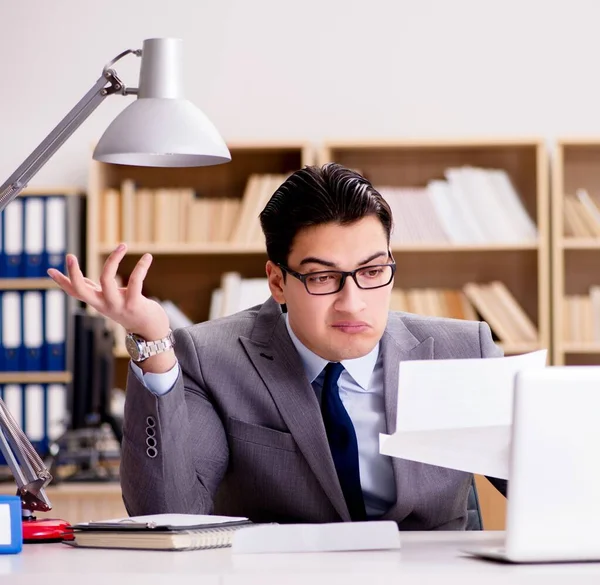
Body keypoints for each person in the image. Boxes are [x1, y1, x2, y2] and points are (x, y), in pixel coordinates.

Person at [49, 163, 506, 529]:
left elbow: (554, 489)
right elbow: (166, 512)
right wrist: (154, 344)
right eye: (323, 277)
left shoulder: (461, 352)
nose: (353, 303)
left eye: (371, 272)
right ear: (278, 282)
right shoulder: (212, 359)